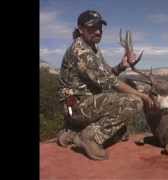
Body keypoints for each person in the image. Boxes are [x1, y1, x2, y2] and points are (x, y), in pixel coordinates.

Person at [57, 10, 153, 160]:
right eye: (92, 27)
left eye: (100, 28)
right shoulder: (81, 51)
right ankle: (89, 137)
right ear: (80, 29)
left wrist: (121, 66)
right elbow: (112, 82)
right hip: (76, 107)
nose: (98, 31)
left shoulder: (92, 47)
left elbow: (107, 73)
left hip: (82, 105)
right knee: (134, 102)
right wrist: (143, 96)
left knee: (121, 132)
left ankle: (72, 131)